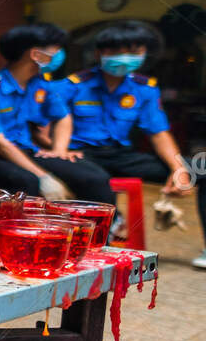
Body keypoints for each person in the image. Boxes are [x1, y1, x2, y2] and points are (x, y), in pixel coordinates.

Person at [45, 21, 194, 246]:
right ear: (99, 53)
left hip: (122, 155)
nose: (124, 57)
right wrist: (58, 151)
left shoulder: (145, 88)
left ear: (144, 54)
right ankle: (101, 243)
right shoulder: (72, 85)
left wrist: (178, 169)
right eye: (116, 50)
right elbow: (46, 126)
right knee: (95, 179)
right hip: (80, 154)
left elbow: (159, 133)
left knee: (197, 169)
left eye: (134, 51)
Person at [0, 23, 115, 204]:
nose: (59, 54)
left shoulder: (40, 83)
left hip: (24, 151)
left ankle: (102, 229)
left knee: (93, 176)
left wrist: (58, 151)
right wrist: (43, 177)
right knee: (26, 181)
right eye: (55, 49)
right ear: (35, 54)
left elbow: (63, 117)